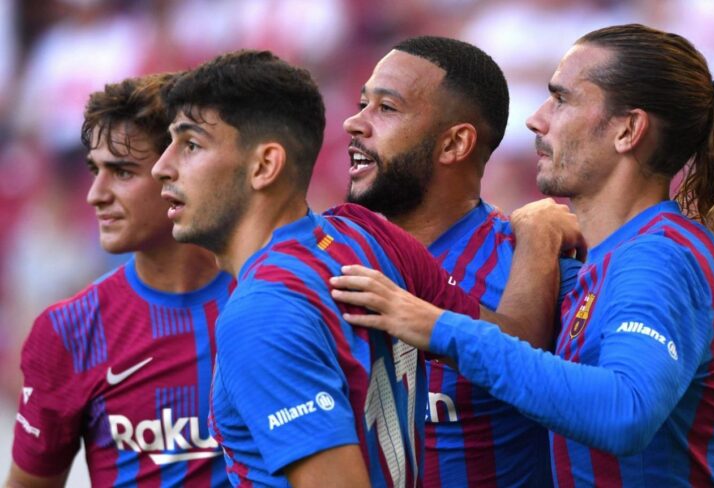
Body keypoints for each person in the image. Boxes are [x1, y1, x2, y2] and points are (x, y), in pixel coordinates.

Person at [331, 23, 714, 486]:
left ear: (628, 130)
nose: (536, 120)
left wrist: (438, 328)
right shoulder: (609, 260)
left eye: (560, 99)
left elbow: (626, 411)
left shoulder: (659, 256)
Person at [150, 49, 580, 487]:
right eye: (360, 103)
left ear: (265, 165)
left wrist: (536, 237)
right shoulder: (367, 236)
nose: (162, 167)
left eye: (191, 145)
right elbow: (507, 345)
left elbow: (520, 356)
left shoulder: (266, 309)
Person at [343, 35, 580, 486]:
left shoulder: (543, 271)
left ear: (454, 144)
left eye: (386, 108)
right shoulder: (330, 260)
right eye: (361, 104)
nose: (353, 123)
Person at [6, 73, 233, 487]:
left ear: (181, 174)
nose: (95, 193)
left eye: (122, 172)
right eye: (95, 170)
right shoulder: (69, 331)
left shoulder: (273, 301)